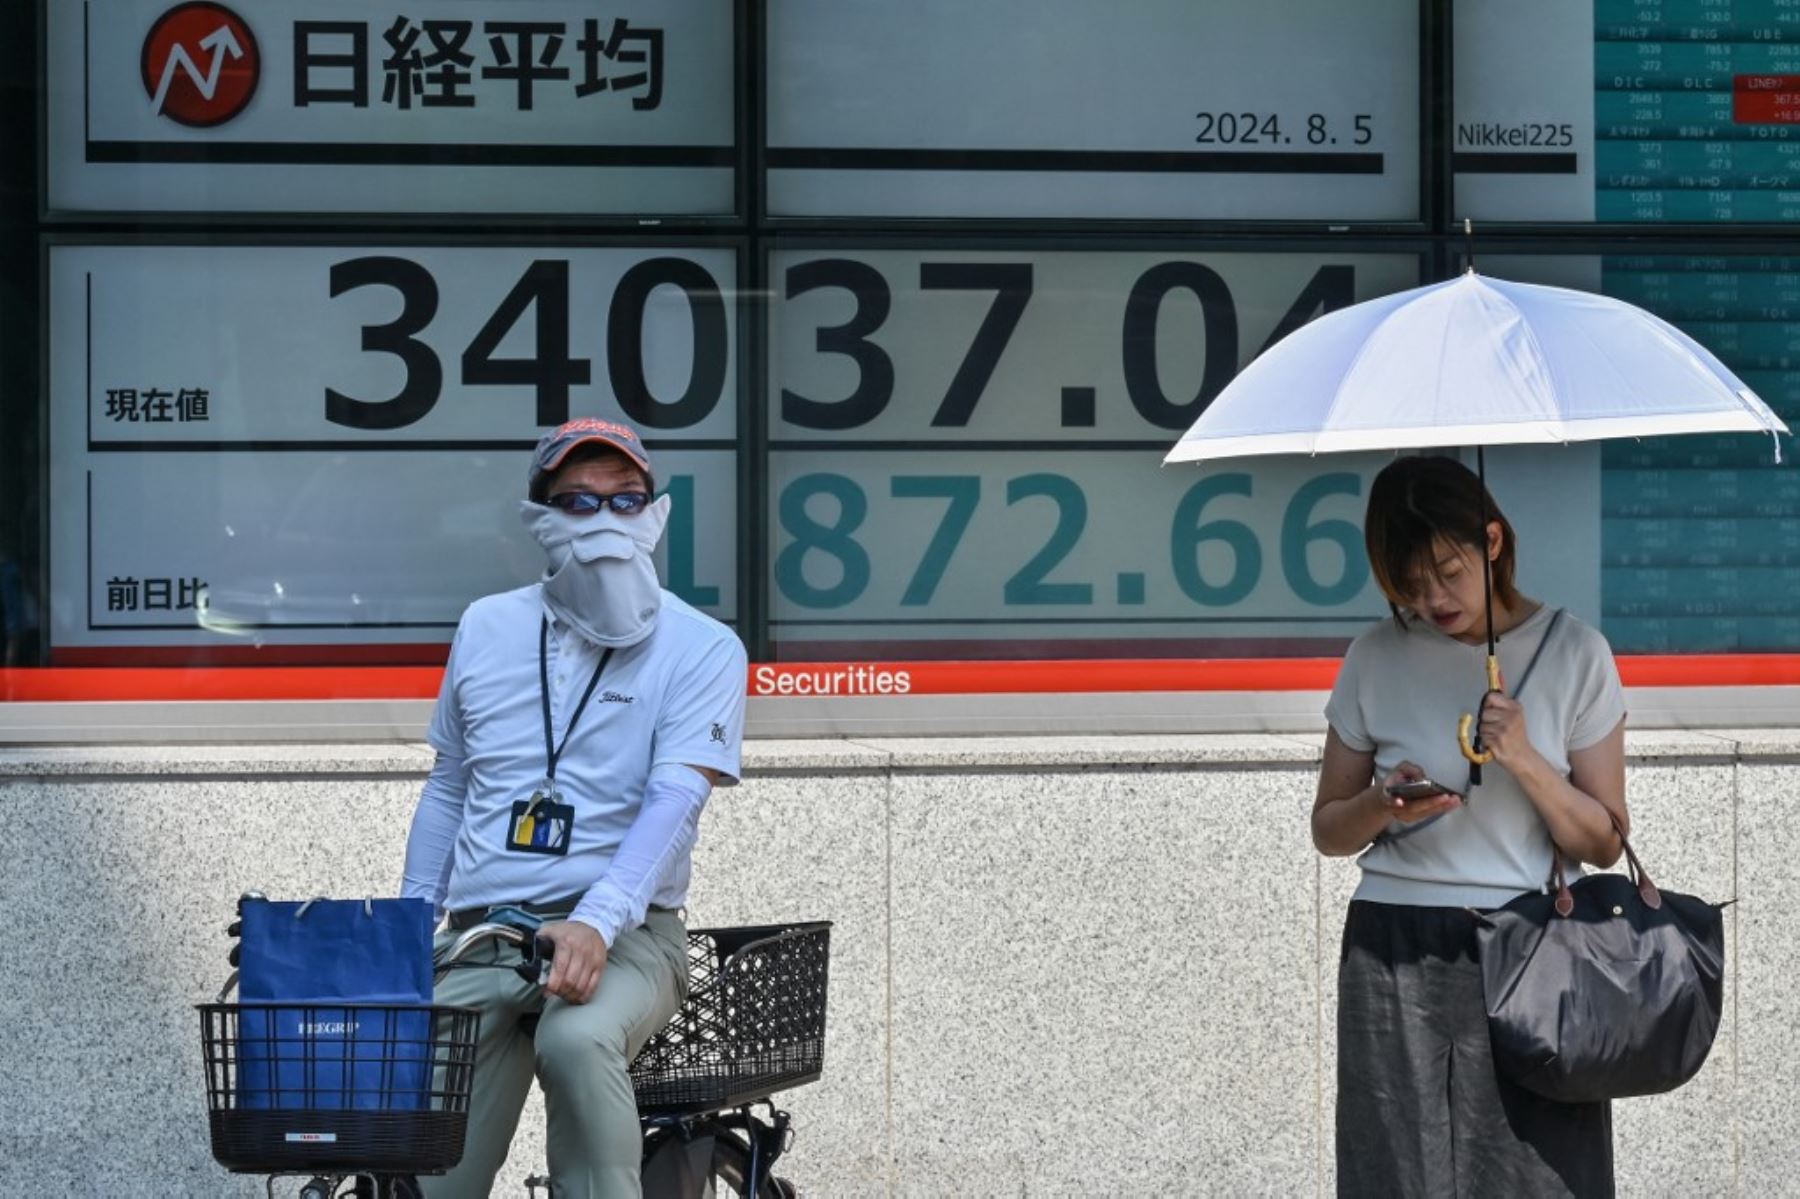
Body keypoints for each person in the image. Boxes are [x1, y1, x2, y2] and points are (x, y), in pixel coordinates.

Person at [402, 416, 748, 1198]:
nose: (606, 522)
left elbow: (676, 798)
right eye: (580, 503)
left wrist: (595, 917)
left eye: (626, 500)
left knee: (579, 1035)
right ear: (541, 518)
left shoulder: (704, 647)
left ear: (655, 513)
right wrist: (406, 922)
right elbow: (450, 783)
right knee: (425, 1171)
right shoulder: (486, 627)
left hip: (626, 936)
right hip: (485, 933)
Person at [1313, 454, 1629, 1197]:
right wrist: (1381, 805)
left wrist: (1523, 757)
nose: (1431, 597)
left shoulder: (1575, 652)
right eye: (1408, 584)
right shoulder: (1373, 655)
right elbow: (1328, 828)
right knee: (1395, 1171)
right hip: (1393, 943)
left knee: (1540, 1173)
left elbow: (1605, 838)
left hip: (1533, 941)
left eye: (1447, 571)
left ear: (1491, 541)